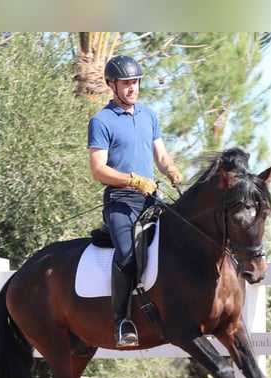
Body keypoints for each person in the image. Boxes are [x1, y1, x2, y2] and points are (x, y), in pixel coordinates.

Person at [87, 55, 183, 347]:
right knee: (128, 255)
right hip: (120, 201)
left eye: (136, 82)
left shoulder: (148, 115)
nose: (133, 88)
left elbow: (161, 155)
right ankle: (122, 321)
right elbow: (97, 169)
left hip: (150, 197)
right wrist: (132, 179)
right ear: (112, 85)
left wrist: (171, 169)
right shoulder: (101, 121)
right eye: (127, 83)